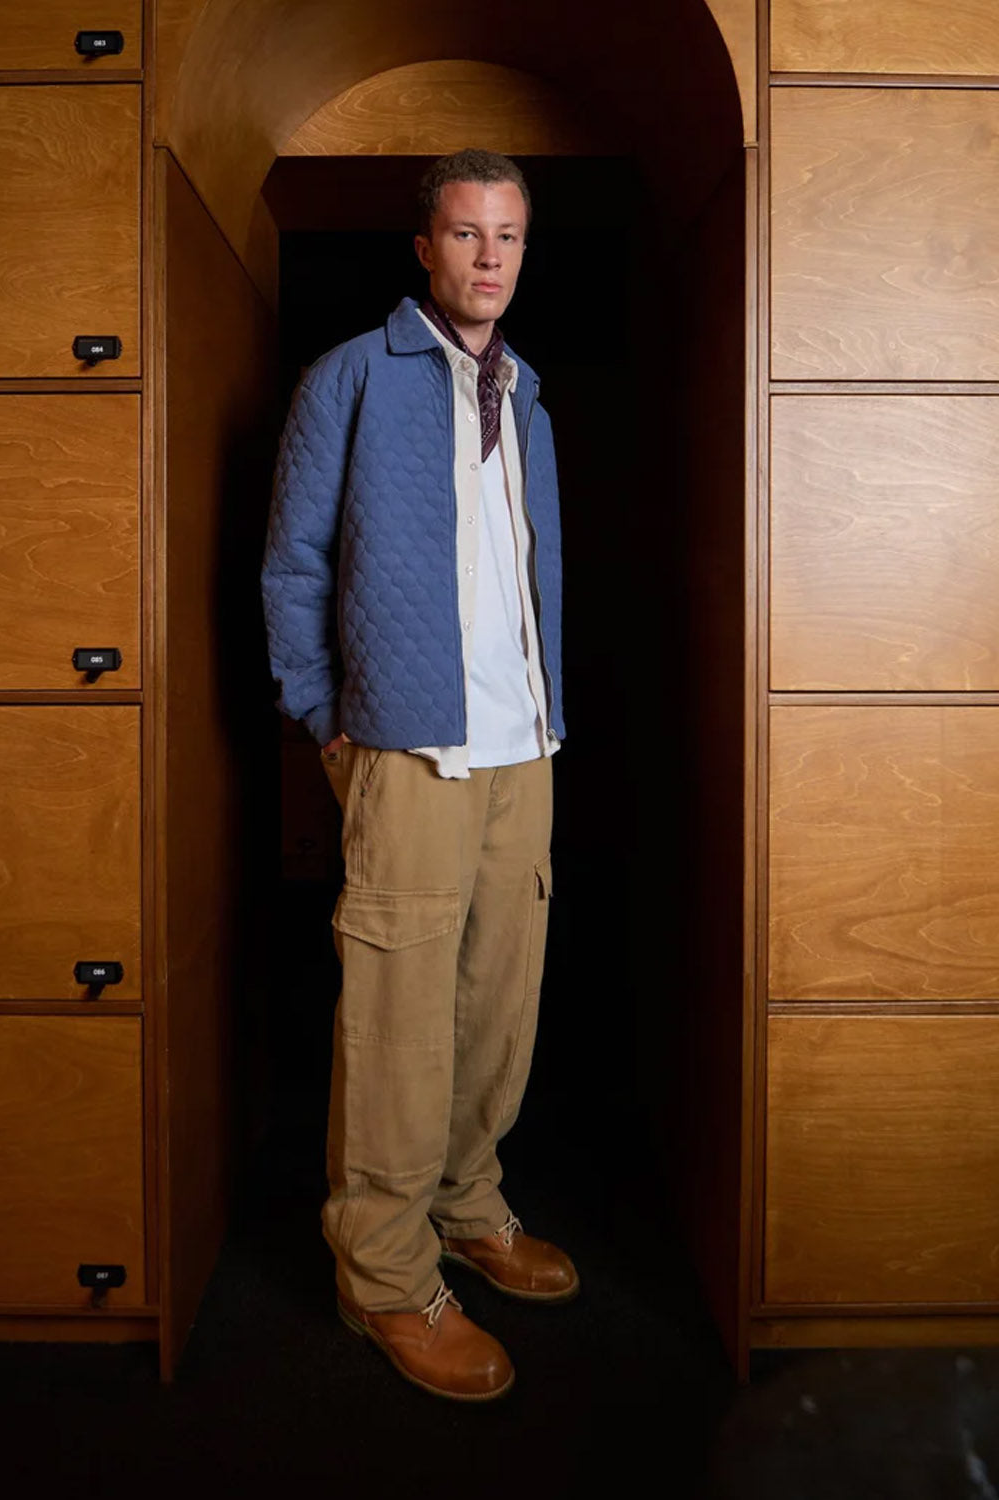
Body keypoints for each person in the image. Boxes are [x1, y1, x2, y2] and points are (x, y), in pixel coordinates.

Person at [261, 148, 576, 1403]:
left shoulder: (530, 397)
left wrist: (543, 717)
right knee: (397, 1018)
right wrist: (324, 717)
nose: (489, 256)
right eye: (465, 233)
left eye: (509, 235)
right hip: (407, 747)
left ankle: (464, 1201)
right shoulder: (352, 375)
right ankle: (385, 1274)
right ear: (424, 248)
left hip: (523, 748)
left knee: (499, 1002)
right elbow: (294, 564)